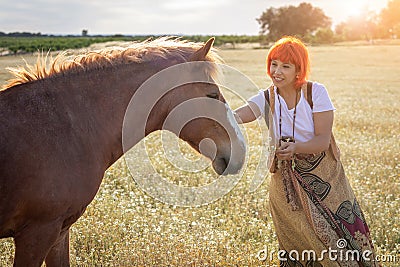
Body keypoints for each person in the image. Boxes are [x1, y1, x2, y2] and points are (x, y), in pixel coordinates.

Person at [234, 36, 377, 267]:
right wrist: (219, 116)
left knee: (337, 233)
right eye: (274, 64)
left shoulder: (315, 92)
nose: (276, 71)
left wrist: (296, 148)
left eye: (285, 66)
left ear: (298, 70)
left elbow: (322, 140)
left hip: (324, 176)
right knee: (293, 235)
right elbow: (240, 114)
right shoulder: (267, 96)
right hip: (284, 180)